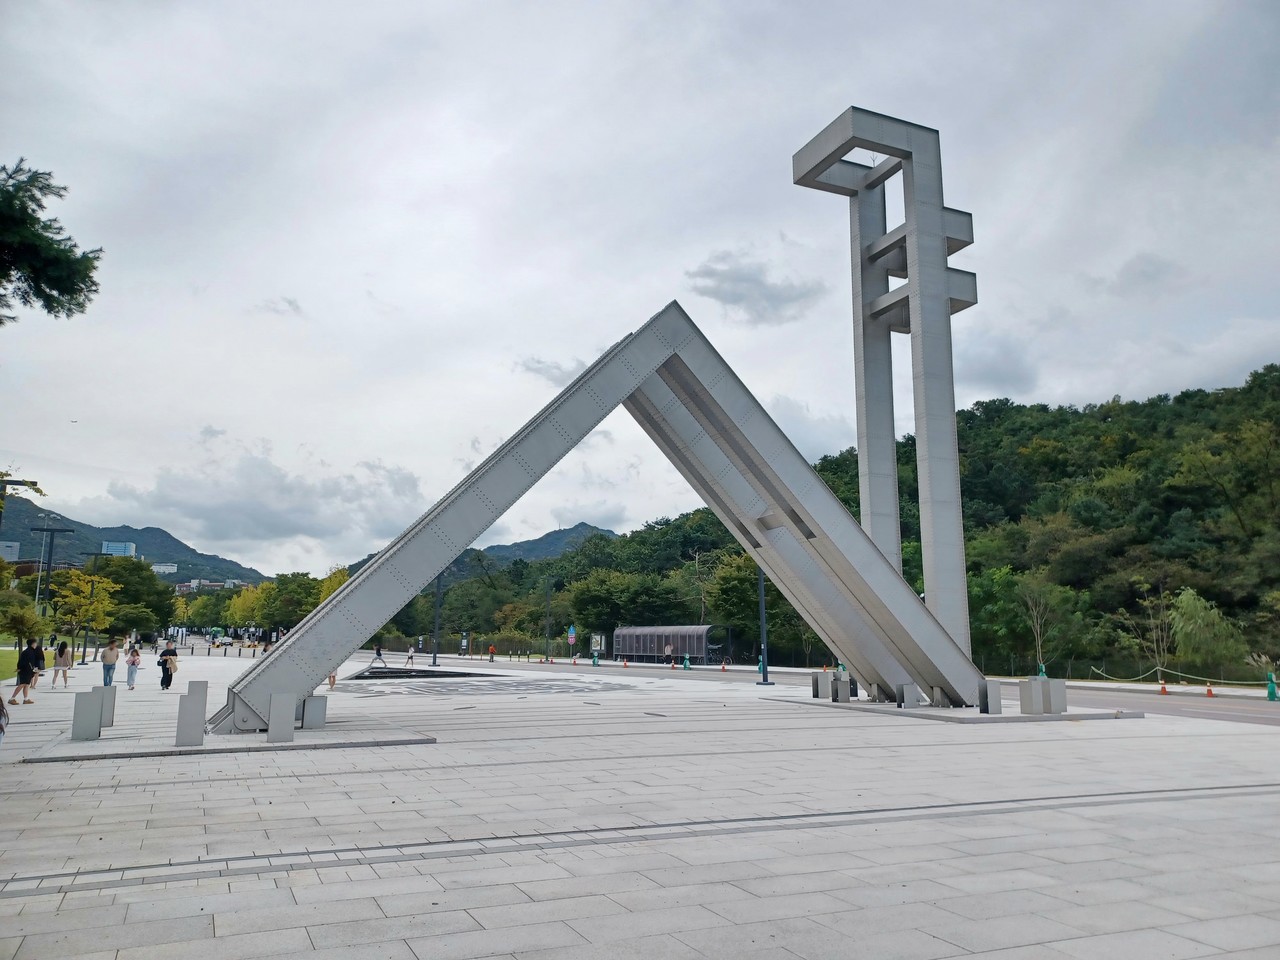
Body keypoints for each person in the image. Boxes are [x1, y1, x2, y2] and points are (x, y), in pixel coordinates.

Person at [9, 638, 41, 705]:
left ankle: (26, 699)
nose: (36, 644)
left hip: (28, 670)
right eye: (35, 643)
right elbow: (24, 662)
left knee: (27, 684)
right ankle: (12, 698)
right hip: (26, 671)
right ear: (32, 644)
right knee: (22, 684)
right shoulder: (28, 652)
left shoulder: (30, 651)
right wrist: (20, 668)